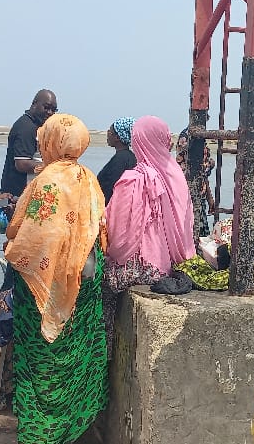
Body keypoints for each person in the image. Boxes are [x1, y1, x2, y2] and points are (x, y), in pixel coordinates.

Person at [5, 114, 109, 444]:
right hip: (85, 279)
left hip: (46, 286)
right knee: (77, 350)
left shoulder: (47, 181)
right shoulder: (88, 179)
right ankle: (75, 426)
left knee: (41, 358)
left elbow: (29, 237)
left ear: (51, 142)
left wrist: (9, 239)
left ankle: (41, 430)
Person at [102, 116, 196, 347]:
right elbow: (186, 225)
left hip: (140, 268)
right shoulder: (176, 174)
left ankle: (104, 352)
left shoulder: (134, 179)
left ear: (138, 141)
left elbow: (120, 238)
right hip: (168, 265)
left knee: (98, 283)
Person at [1, 90, 59, 198]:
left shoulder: (37, 126)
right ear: (34, 104)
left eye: (53, 110)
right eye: (46, 107)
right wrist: (53, 168)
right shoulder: (26, 127)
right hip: (17, 196)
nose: (50, 112)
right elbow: (22, 164)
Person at [176, 128, 216, 213]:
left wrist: (209, 197)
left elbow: (202, 172)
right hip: (187, 194)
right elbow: (185, 167)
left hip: (199, 193)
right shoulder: (187, 136)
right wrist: (209, 165)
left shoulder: (201, 136)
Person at [99, 117, 137, 204]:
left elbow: (111, 188)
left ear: (117, 137)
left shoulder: (120, 160)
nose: (107, 135)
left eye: (110, 132)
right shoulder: (130, 157)